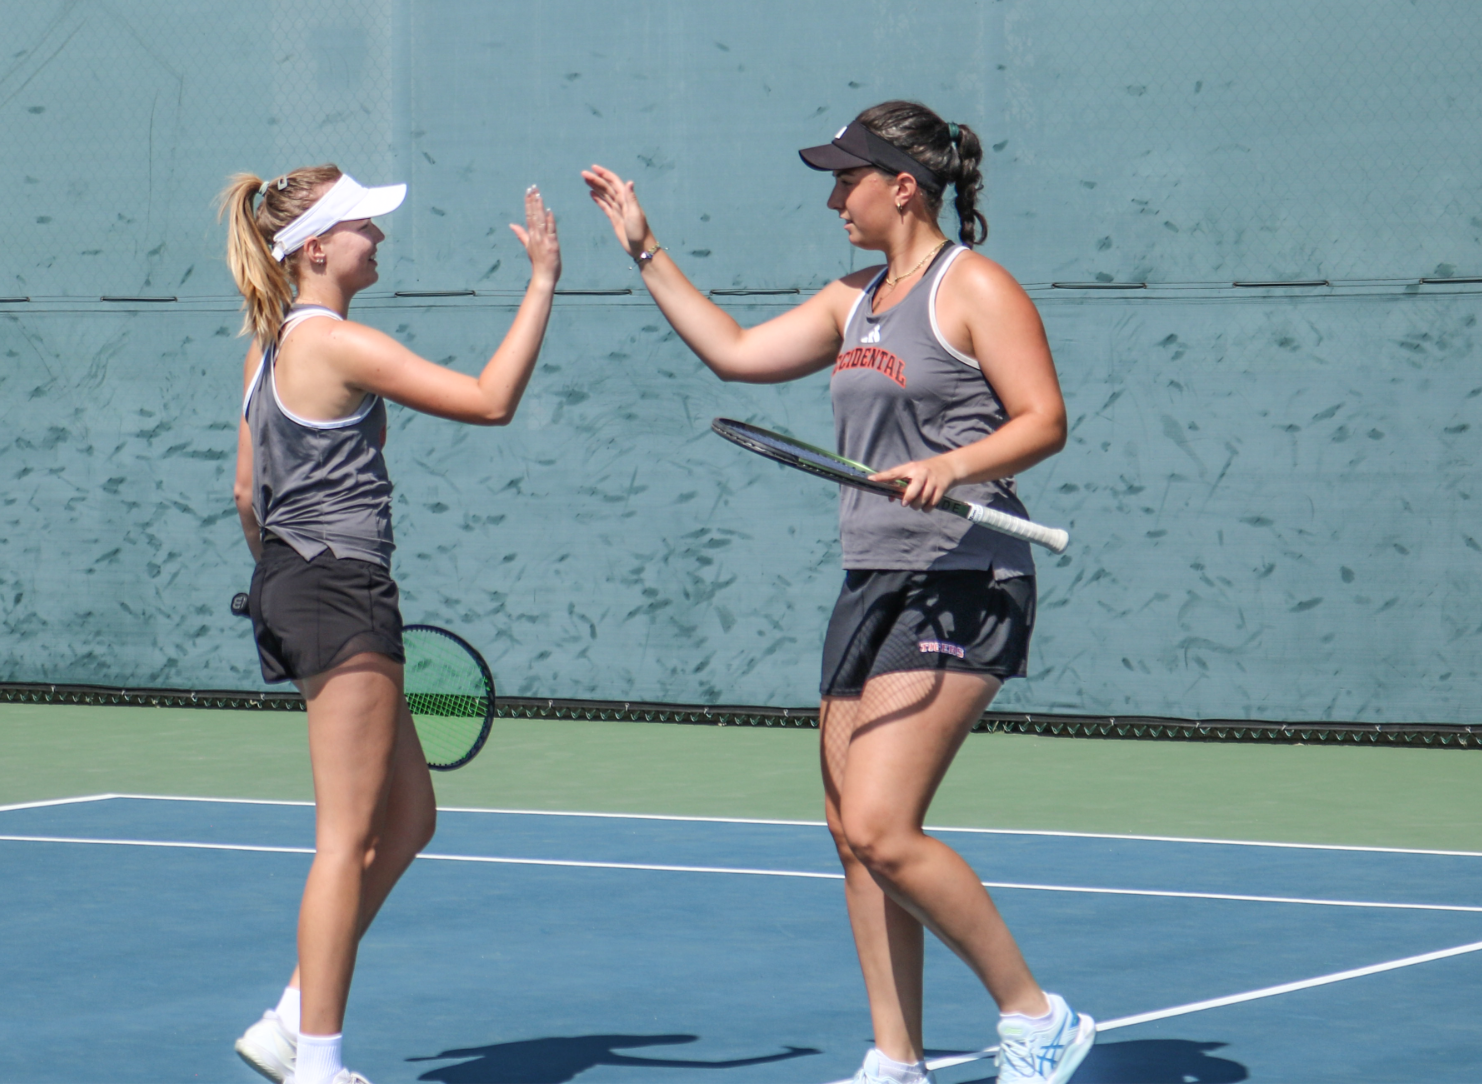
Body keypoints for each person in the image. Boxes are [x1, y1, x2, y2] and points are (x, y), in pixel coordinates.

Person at [582, 101, 1091, 1084]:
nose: (831, 198)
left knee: (880, 825)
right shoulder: (849, 299)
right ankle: (892, 1057)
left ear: (900, 185)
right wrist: (646, 252)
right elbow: (731, 351)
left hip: (963, 582)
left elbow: (1042, 420)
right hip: (871, 582)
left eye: (844, 179)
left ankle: (1036, 1017)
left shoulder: (973, 288)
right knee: (846, 833)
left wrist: (957, 463)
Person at [219, 166, 561, 1084]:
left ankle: (294, 1014)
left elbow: (247, 493)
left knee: (408, 816)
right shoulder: (337, 343)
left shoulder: (264, 349)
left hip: (296, 586)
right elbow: (491, 400)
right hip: (340, 592)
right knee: (344, 838)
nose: (380, 237)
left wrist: (285, 575)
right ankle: (319, 1063)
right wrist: (541, 286)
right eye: (364, 225)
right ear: (317, 248)